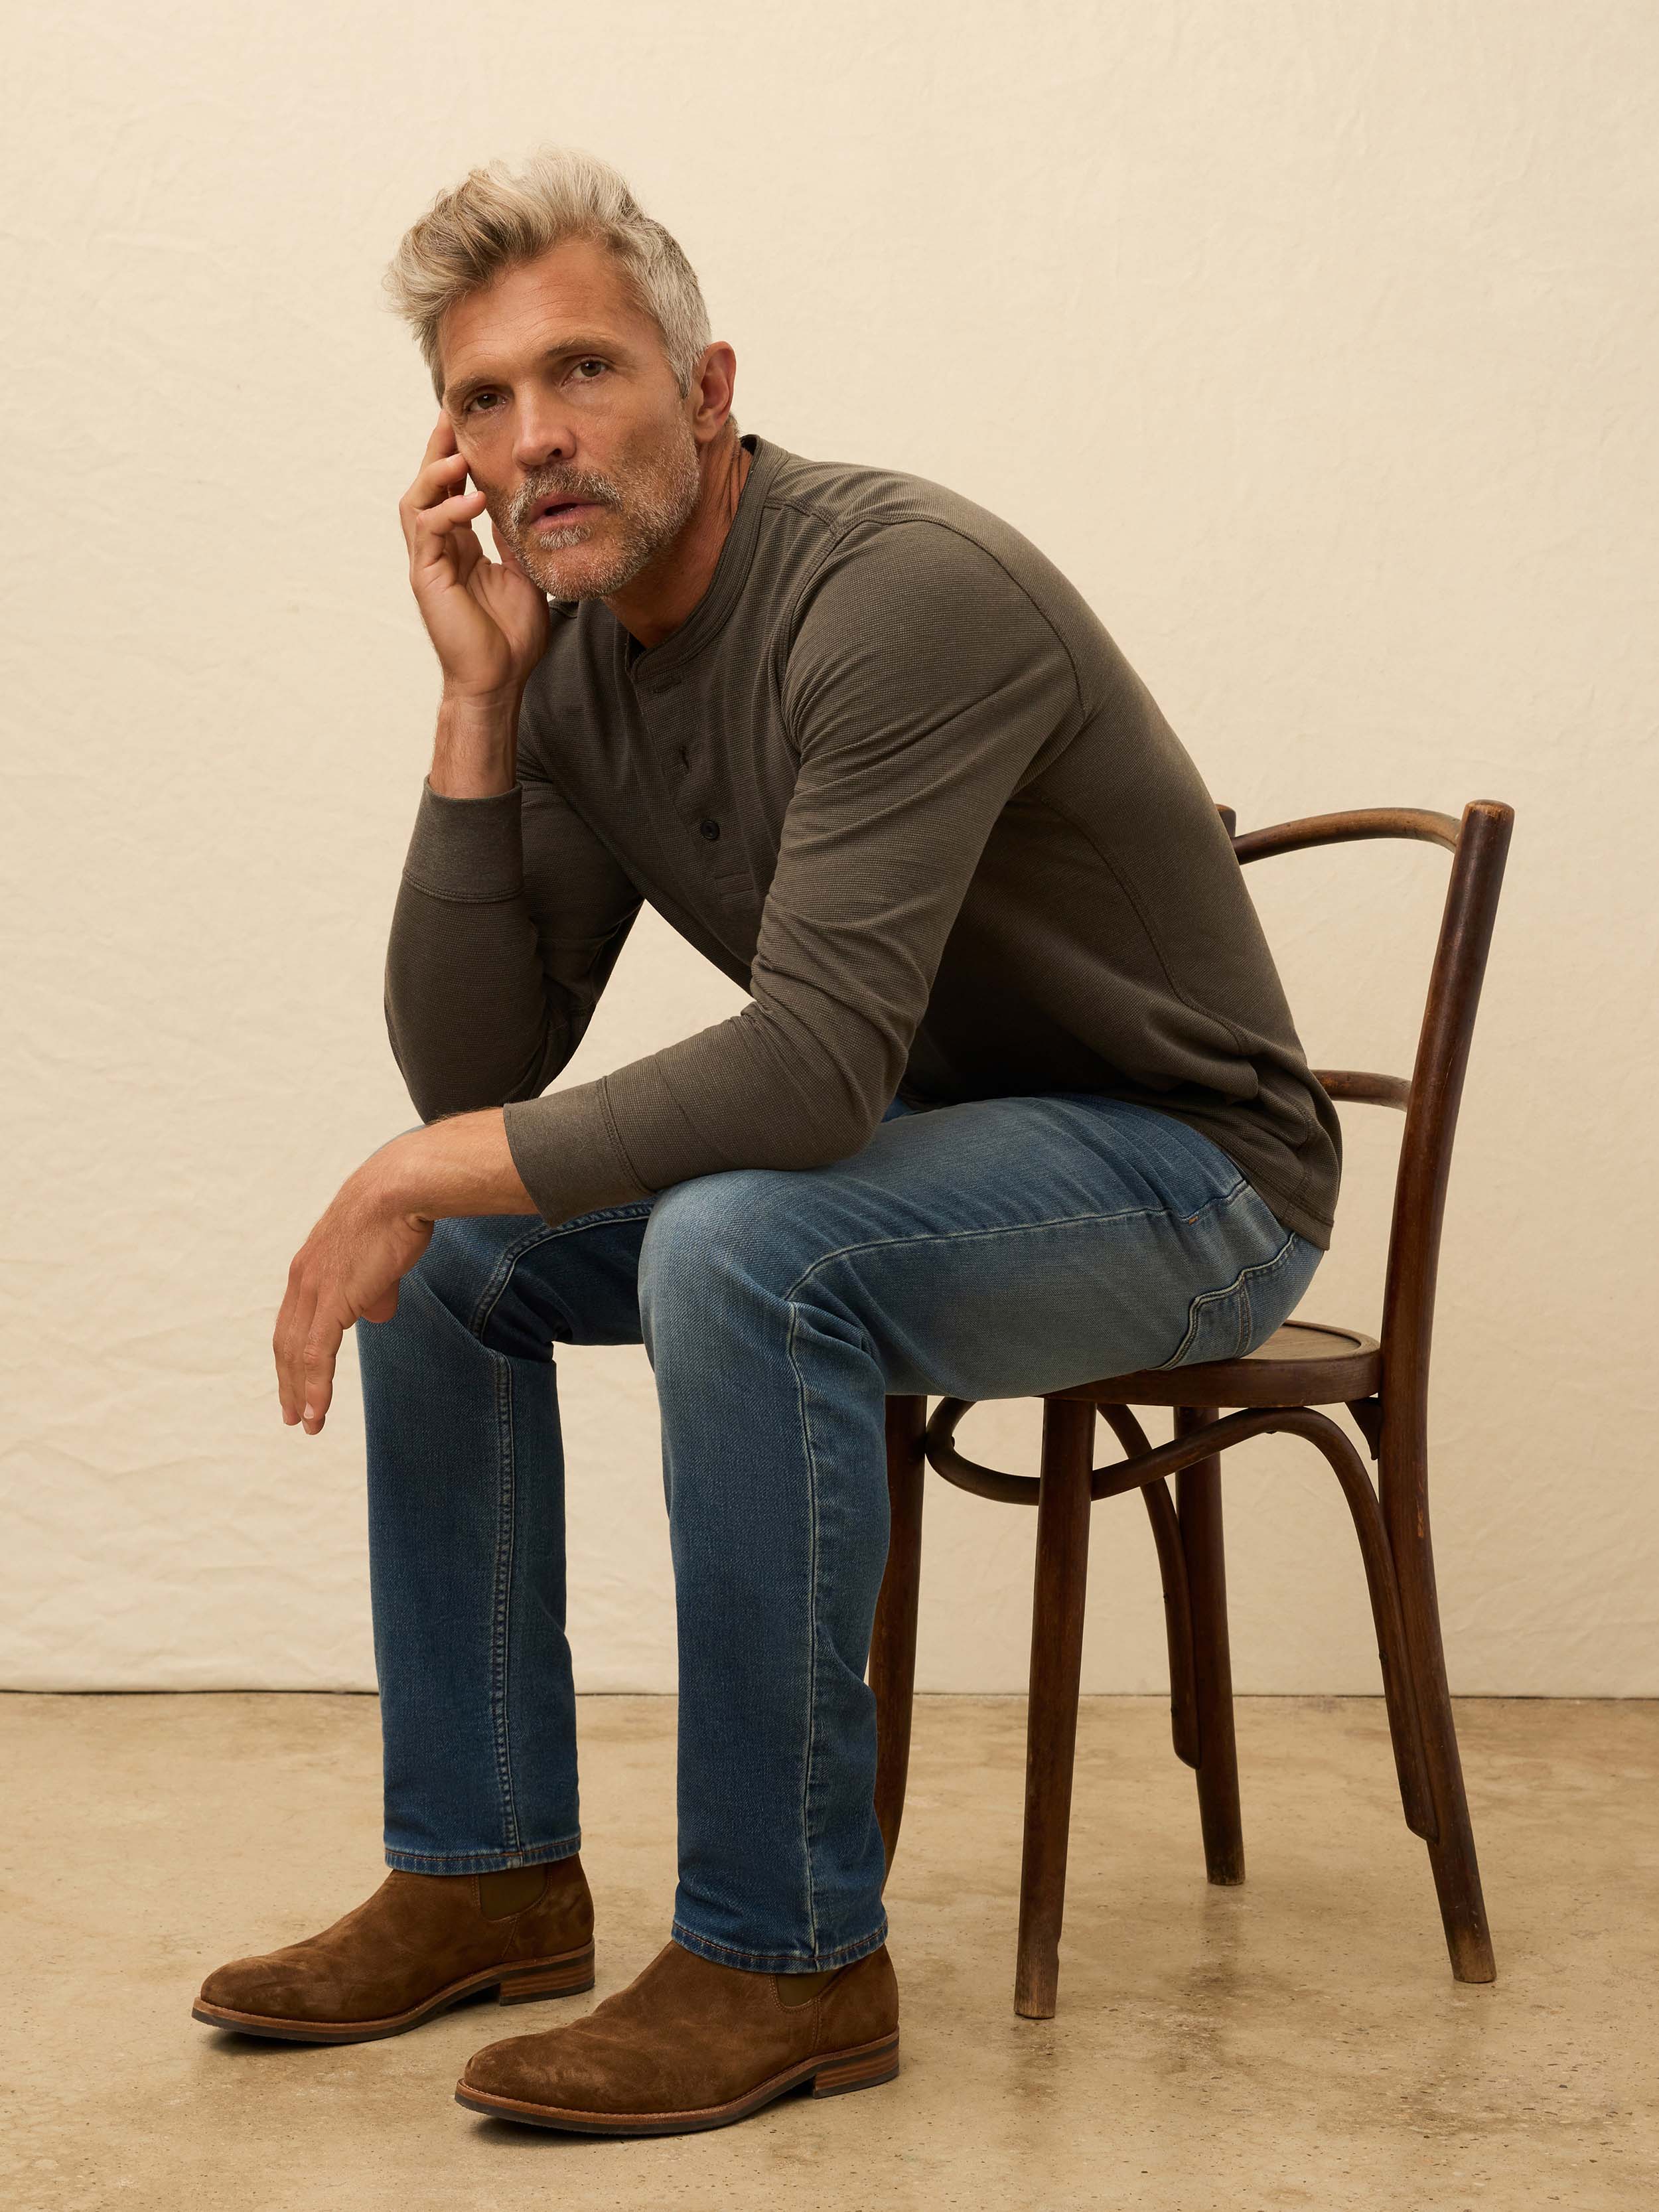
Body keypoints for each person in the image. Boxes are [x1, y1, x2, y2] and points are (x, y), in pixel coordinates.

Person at [192, 145, 1340, 2137]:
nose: (537, 440)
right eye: (483, 400)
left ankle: (785, 1954)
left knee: (731, 1238)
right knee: (460, 1257)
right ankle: (484, 1872)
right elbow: (476, 1072)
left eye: (585, 371)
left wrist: (403, 1174)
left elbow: (806, 1077)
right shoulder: (575, 661)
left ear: (706, 388)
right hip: (940, 1158)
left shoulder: (897, 593)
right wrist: (477, 707)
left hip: (1191, 1180)